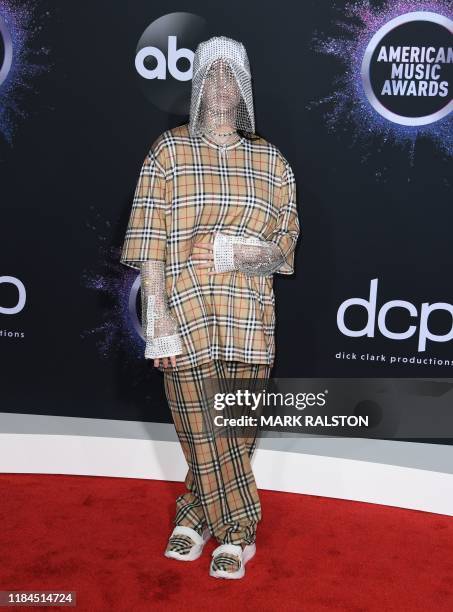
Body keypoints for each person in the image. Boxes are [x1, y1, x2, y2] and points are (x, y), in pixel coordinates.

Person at [120, 35, 300, 579]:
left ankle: (195, 515)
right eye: (211, 75)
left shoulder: (272, 162)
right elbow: (148, 244)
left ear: (243, 87)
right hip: (187, 317)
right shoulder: (168, 152)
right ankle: (238, 531)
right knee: (201, 431)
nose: (221, 87)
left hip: (249, 322)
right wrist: (159, 326)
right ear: (197, 84)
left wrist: (232, 250)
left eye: (230, 76)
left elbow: (284, 254)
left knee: (233, 435)